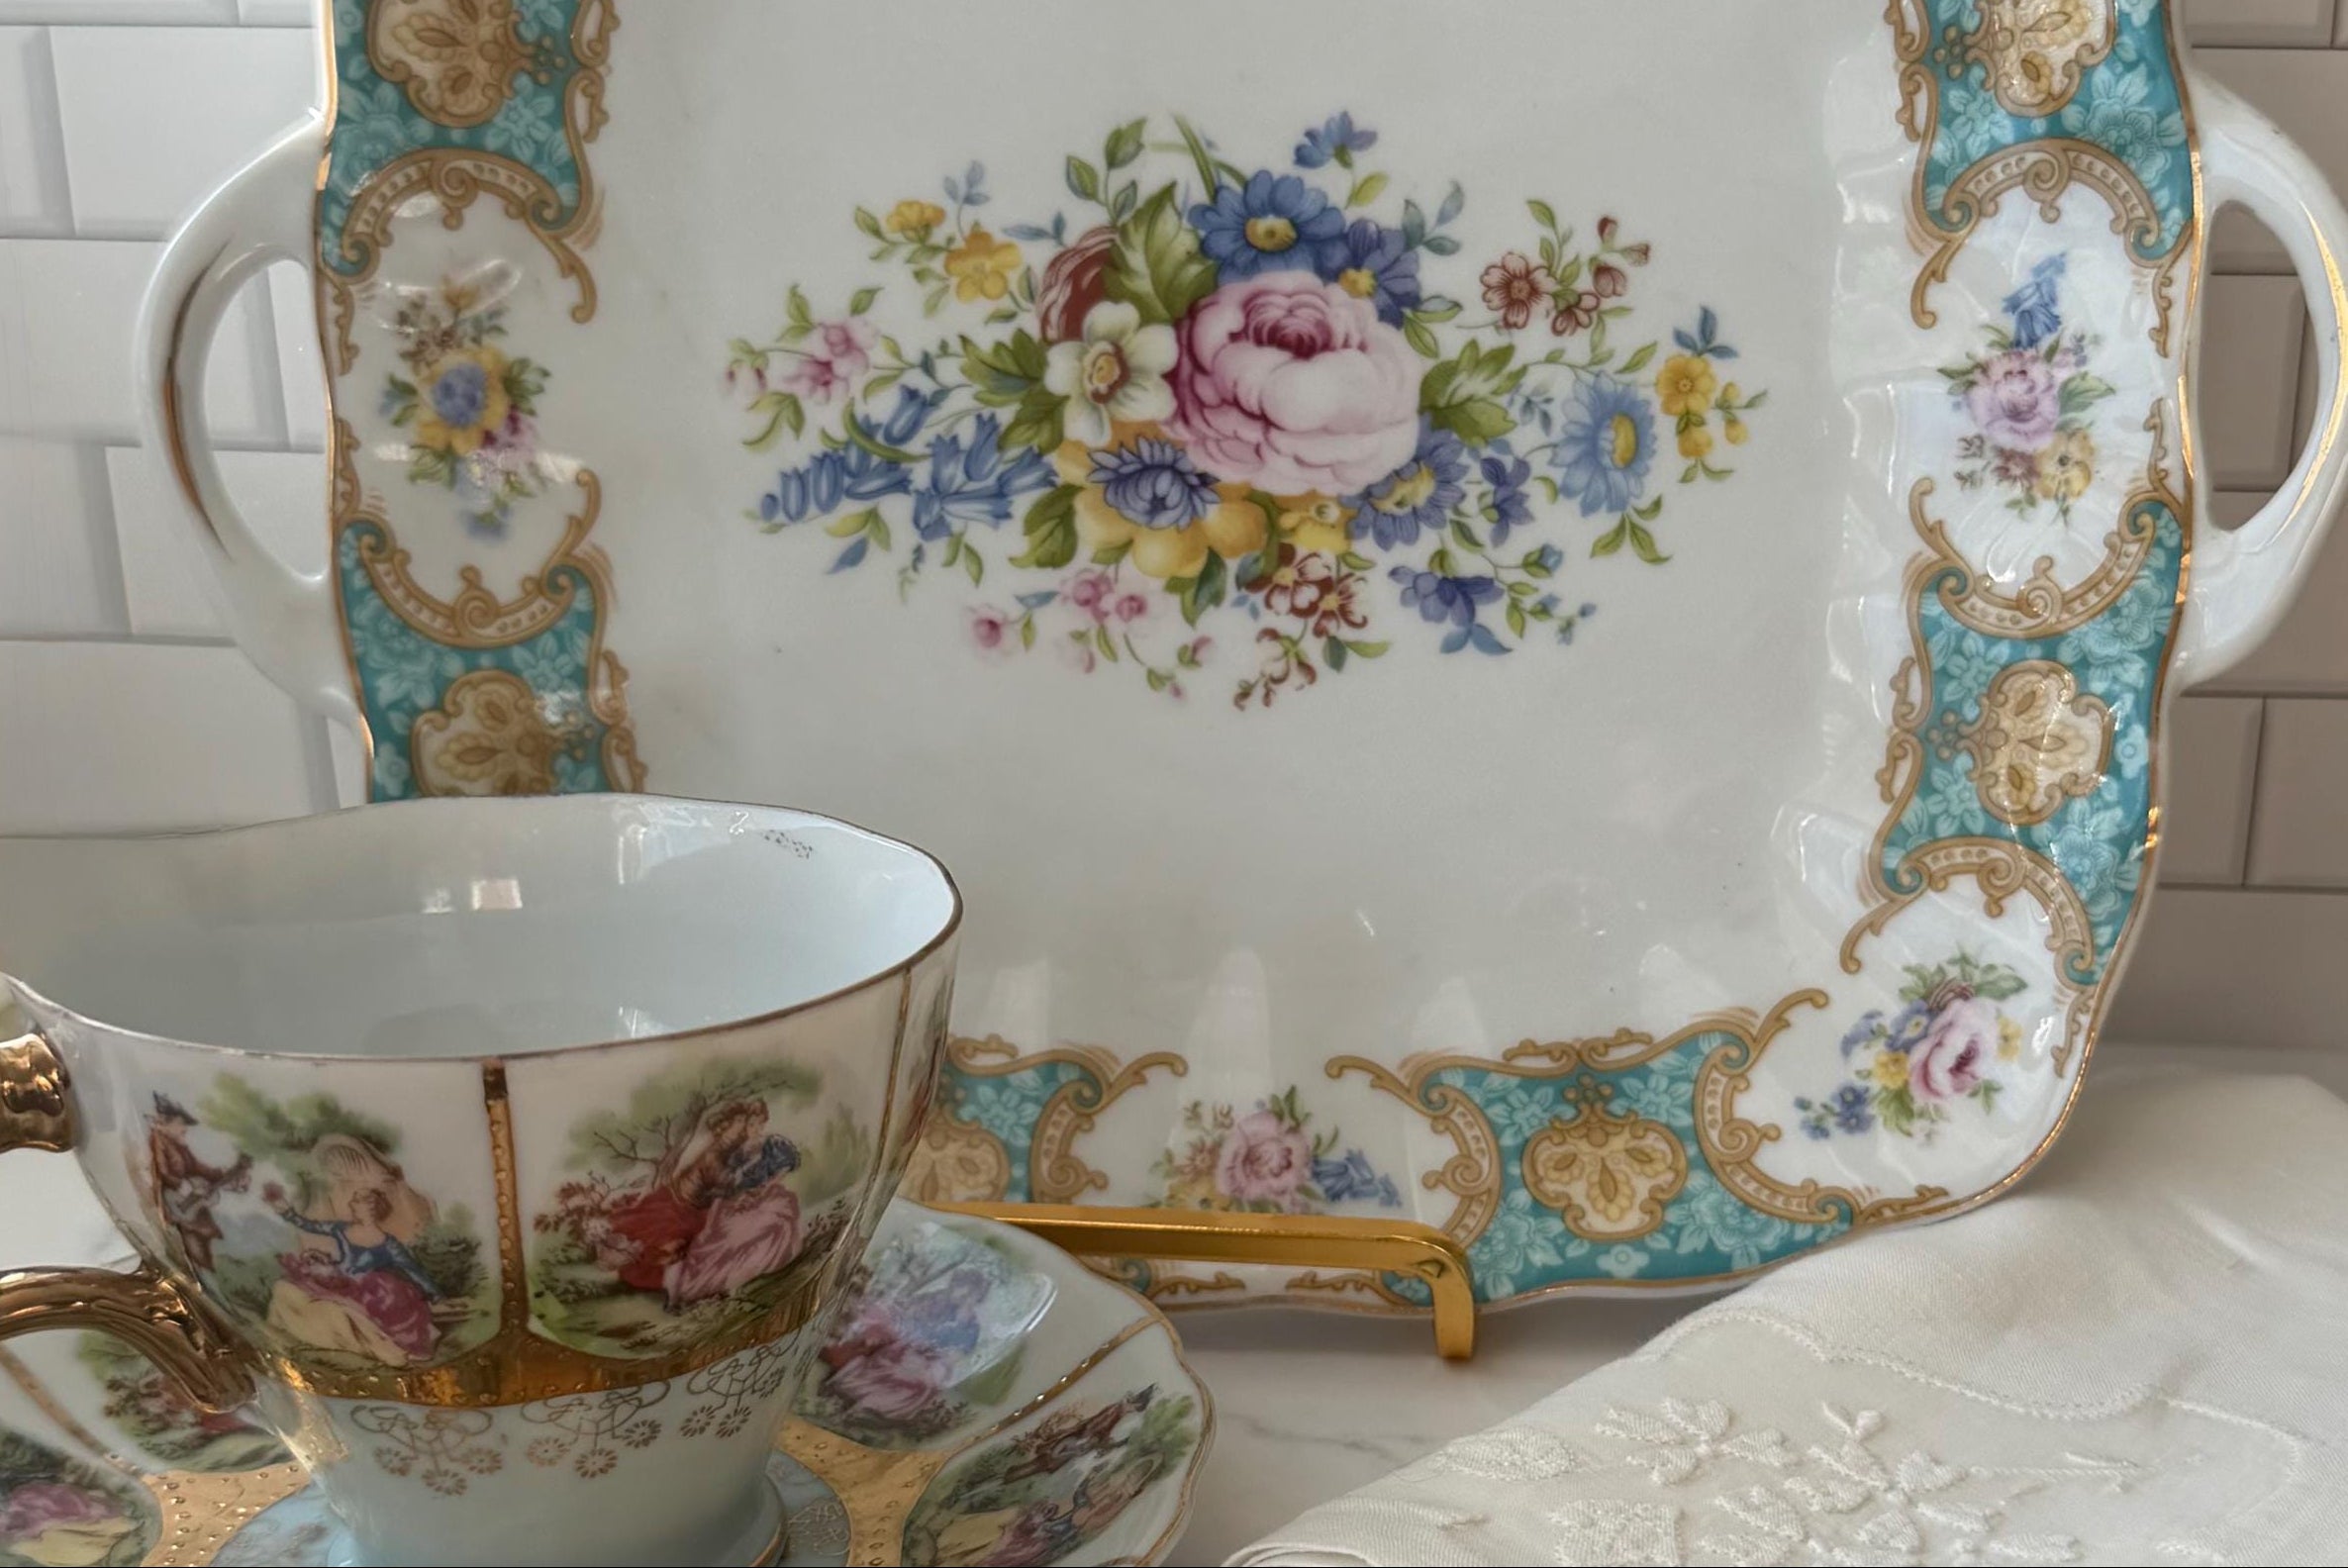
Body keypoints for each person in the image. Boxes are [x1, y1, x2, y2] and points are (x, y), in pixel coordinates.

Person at [263, 1182, 443, 1366]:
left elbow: (412, 1269)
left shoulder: (388, 1244)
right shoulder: (342, 1229)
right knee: (284, 1288)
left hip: (368, 1294)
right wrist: (286, 1210)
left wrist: (435, 1294)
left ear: (370, 1208)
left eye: (357, 1201)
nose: (351, 1204)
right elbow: (309, 1226)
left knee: (337, 1312)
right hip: (340, 1284)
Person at [666, 1101, 805, 1309]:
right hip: (724, 1207)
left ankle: (760, 1274)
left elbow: (774, 1174)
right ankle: (709, 1288)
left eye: (759, 1125)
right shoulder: (728, 1154)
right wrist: (742, 1195)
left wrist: (759, 1191)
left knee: (780, 1216)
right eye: (751, 1125)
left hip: (747, 1202)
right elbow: (726, 1186)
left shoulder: (764, 1148)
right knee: (729, 1237)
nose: (755, 1130)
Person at [146, 1095, 248, 1272]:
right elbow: (161, 1171)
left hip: (195, 1207)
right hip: (175, 1203)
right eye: (181, 1123)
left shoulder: (181, 1146)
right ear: (166, 1123)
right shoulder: (158, 1140)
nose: (184, 1128)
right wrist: (181, 1186)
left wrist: (226, 1175)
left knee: (205, 1240)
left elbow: (198, 1168)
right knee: (192, 1247)